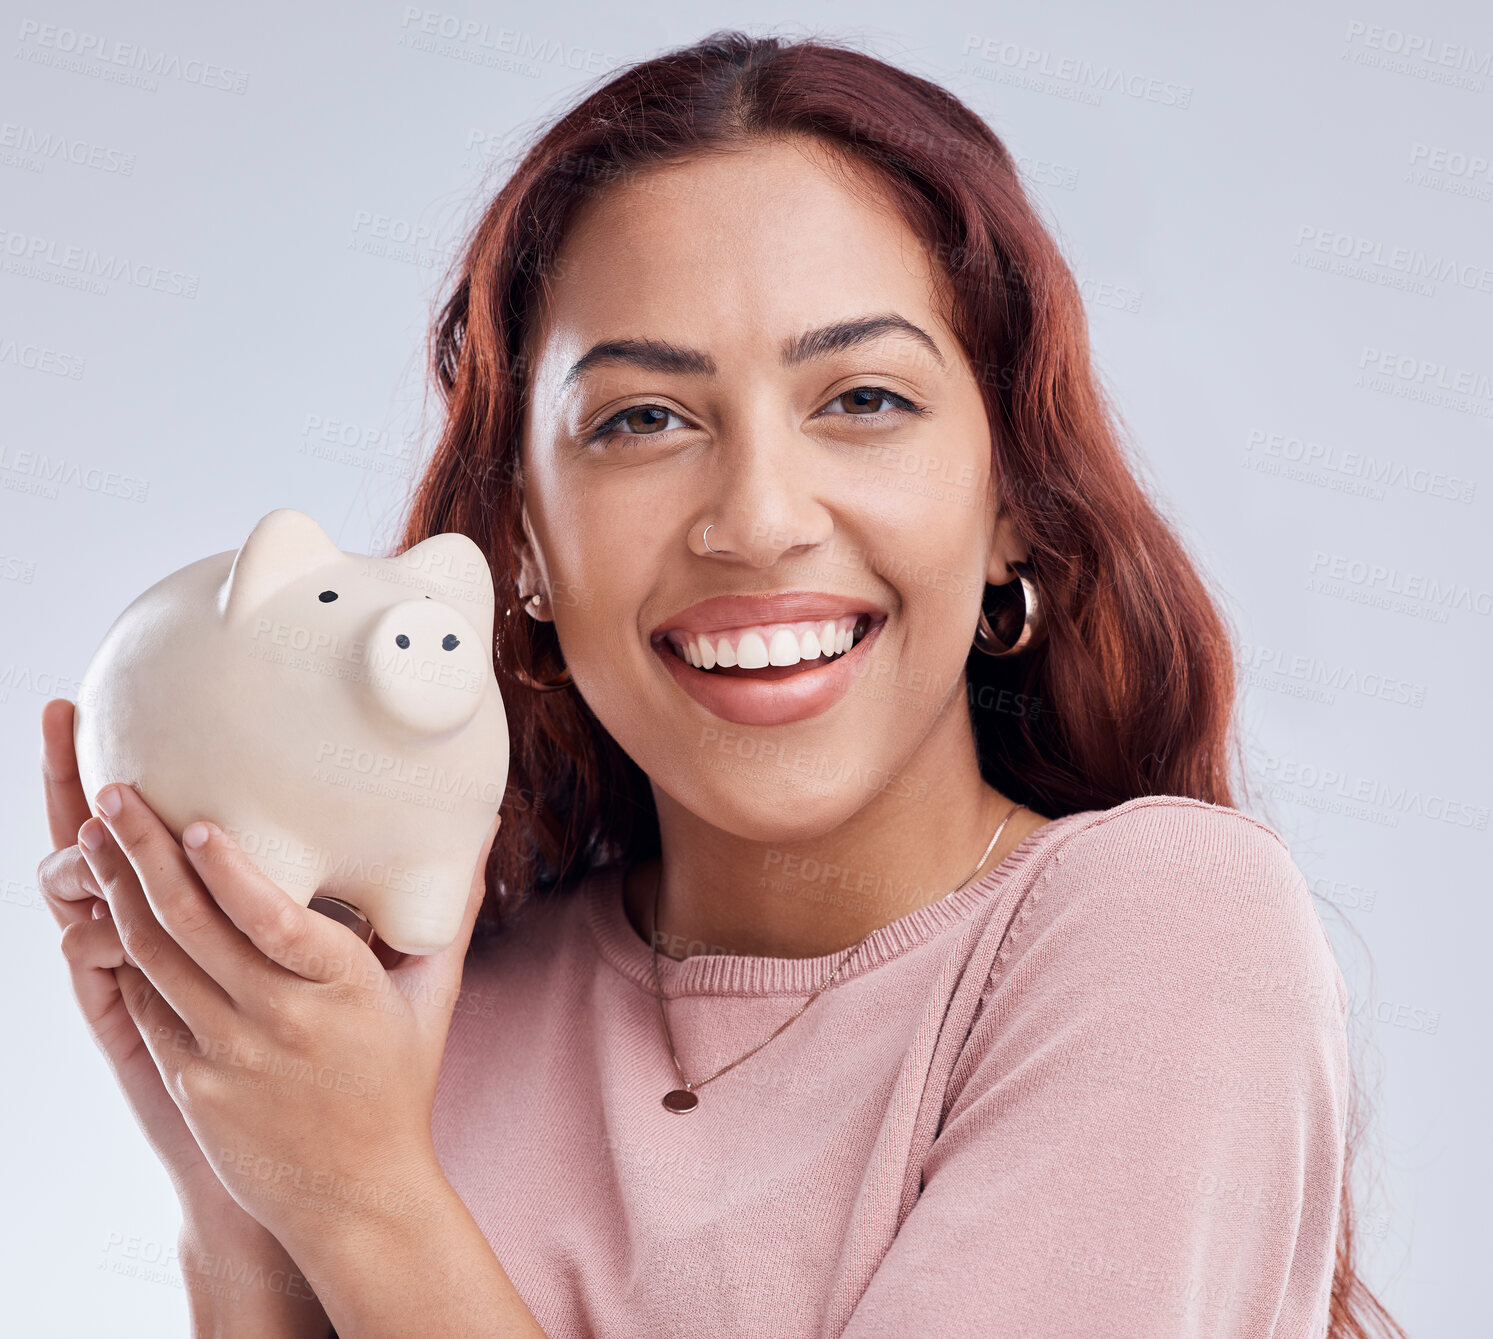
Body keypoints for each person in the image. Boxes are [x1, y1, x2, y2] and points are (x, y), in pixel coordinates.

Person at [39, 29, 1406, 1338]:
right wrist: (235, 1194)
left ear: (1008, 502)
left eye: (862, 399)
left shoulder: (1160, 930)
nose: (755, 519)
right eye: (643, 419)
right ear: (519, 543)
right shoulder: (415, 1025)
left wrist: (361, 1199)